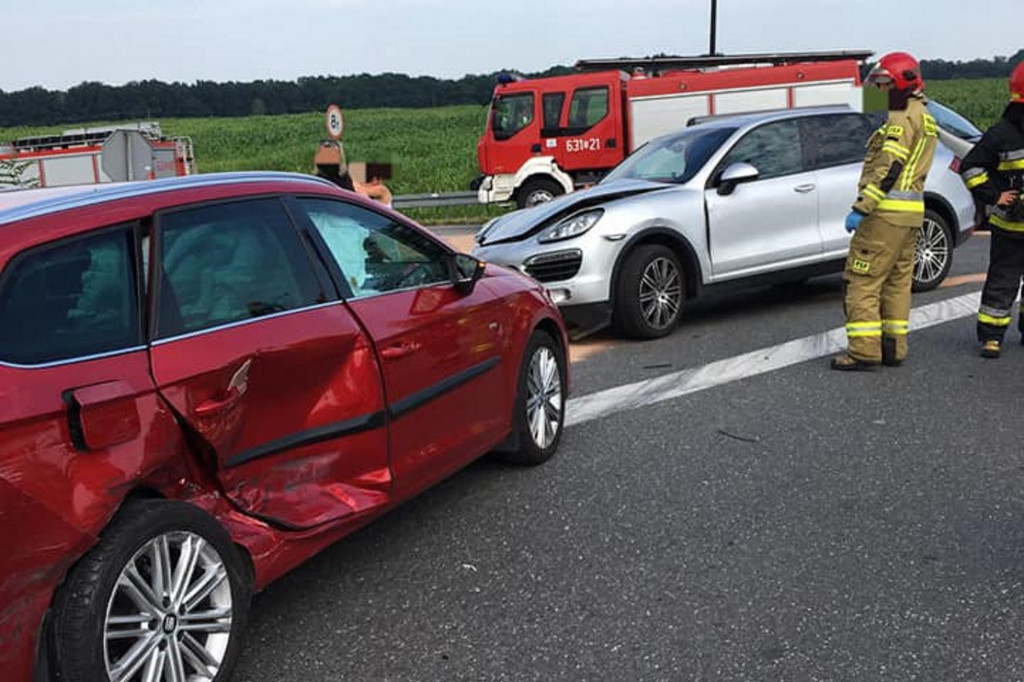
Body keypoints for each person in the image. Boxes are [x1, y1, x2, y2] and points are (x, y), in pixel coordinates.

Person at [831, 52, 939, 371]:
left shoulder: (901, 115)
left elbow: (889, 166)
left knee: (861, 280)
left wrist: (862, 208)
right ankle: (893, 348)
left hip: (885, 216)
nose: (879, 90)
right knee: (897, 282)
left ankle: (864, 352)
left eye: (884, 83)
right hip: (910, 216)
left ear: (902, 82)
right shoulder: (924, 114)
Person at [958, 62, 1024, 358]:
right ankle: (991, 336)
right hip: (1010, 227)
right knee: (1002, 281)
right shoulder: (1001, 134)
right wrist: (995, 195)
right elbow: (970, 166)